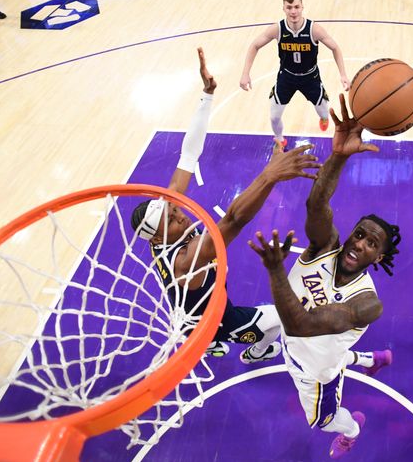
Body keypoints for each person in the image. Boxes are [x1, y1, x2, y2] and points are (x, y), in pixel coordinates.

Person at [131, 47, 322, 362]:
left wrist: (206, 96)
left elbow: (188, 155)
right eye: (173, 219)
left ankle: (211, 343)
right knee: (280, 319)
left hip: (194, 302)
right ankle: (253, 352)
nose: (181, 214)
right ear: (157, 237)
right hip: (214, 321)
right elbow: (233, 219)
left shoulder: (161, 228)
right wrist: (269, 176)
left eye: (175, 210)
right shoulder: (187, 260)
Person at [248, 94, 400, 460]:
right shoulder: (325, 246)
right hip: (298, 341)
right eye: (359, 234)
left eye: (371, 243)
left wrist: (275, 270)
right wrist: (340, 154)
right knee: (273, 325)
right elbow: (317, 205)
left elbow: (301, 324)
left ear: (379, 257)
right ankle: (372, 359)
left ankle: (352, 431)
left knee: (323, 420)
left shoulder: (367, 303)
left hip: (316, 372)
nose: (359, 243)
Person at [239, 0, 350, 148]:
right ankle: (280, 139)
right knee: (274, 117)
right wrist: (245, 74)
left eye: (296, 7)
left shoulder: (314, 29)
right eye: (289, 7)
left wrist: (343, 75)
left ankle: (323, 118)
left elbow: (335, 48)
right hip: (287, 77)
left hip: (310, 77)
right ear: (283, 8)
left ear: (302, 7)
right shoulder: (278, 29)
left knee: (324, 113)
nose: (293, 11)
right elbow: (254, 45)